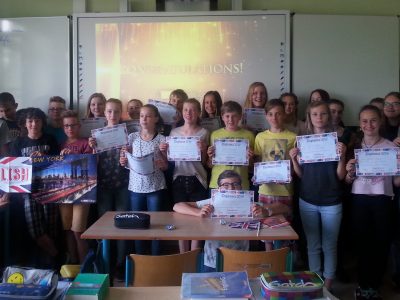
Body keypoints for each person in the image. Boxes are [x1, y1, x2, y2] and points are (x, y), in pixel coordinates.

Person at [289, 101, 346, 290]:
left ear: (329, 116)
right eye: (315, 114)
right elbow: (301, 174)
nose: (319, 118)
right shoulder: (303, 141)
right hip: (308, 199)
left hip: (332, 201)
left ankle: (327, 285)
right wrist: (294, 159)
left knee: (330, 245)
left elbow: (340, 176)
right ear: (309, 117)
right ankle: (315, 281)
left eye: (323, 114)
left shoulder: (336, 141)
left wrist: (342, 156)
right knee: (312, 245)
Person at [345, 105, 400, 300]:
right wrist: (350, 172)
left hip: (383, 200)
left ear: (380, 122)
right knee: (361, 243)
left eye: (373, 120)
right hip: (359, 199)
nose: (369, 125)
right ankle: (362, 284)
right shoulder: (355, 148)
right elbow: (347, 181)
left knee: (381, 243)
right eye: (365, 121)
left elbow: (396, 182)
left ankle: (374, 285)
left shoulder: (391, 148)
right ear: (360, 124)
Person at [173, 170, 267, 271]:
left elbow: (282, 207)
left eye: (235, 184)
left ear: (241, 187)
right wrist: (198, 212)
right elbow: (177, 206)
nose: (231, 188)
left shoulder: (248, 203)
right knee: (210, 285)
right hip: (212, 260)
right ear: (218, 189)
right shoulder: (213, 202)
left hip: (240, 260)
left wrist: (265, 211)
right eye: (225, 185)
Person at [9, 108, 60, 267]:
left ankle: (49, 265)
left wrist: (45, 158)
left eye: (37, 121)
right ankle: (58, 257)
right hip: (28, 192)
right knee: (35, 230)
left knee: (51, 227)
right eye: (30, 121)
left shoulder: (50, 139)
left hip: (50, 189)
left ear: (42, 122)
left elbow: (59, 162)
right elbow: (12, 167)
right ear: (25, 123)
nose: (34, 124)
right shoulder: (19, 143)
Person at [160, 98, 209, 253]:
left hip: (198, 178)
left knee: (198, 218)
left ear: (199, 113)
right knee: (179, 217)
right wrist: (163, 150)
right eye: (186, 109)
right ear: (182, 112)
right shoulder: (174, 132)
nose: (189, 113)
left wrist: (203, 149)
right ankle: (183, 254)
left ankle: (194, 255)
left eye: (193, 110)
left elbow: (205, 161)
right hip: (179, 178)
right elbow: (170, 159)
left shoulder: (204, 132)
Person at [120, 104, 168, 255]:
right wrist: (122, 160)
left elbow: (167, 166)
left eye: (148, 116)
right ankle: (140, 259)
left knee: (156, 225)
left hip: (156, 187)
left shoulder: (162, 139)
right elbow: (124, 161)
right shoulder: (131, 137)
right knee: (137, 224)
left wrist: (164, 162)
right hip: (135, 187)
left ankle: (155, 259)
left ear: (156, 118)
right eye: (142, 116)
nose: (144, 119)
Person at [89, 98, 129, 276]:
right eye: (109, 111)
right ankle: (105, 262)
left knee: (123, 224)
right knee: (103, 225)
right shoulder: (96, 136)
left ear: (121, 113)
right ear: (105, 113)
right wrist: (92, 148)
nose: (113, 115)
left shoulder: (128, 133)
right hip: (103, 184)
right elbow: (92, 161)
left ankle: (120, 263)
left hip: (123, 184)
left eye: (116, 111)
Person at [254, 99, 296, 250]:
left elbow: (293, 165)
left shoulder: (292, 136)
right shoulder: (260, 137)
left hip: (284, 190)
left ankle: (283, 264)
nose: (274, 117)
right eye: (271, 114)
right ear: (266, 116)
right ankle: (269, 263)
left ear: (284, 114)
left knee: (283, 230)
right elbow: (258, 162)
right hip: (265, 189)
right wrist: (258, 176)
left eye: (278, 113)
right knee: (266, 232)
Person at [59, 110, 92, 264]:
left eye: (73, 125)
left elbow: (90, 167)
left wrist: (71, 158)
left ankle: (84, 266)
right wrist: (61, 157)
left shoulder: (86, 143)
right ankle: (72, 265)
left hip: (82, 194)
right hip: (63, 193)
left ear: (79, 126)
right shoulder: (60, 144)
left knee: (78, 231)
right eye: (66, 126)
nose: (70, 129)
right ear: (63, 127)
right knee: (67, 231)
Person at [207, 101, 255, 191]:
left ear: (240, 116)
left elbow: (251, 167)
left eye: (234, 116)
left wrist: (250, 158)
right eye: (227, 116)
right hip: (218, 184)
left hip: (241, 184)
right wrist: (210, 157)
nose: (231, 120)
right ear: (222, 117)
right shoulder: (215, 135)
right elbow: (209, 165)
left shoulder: (249, 135)